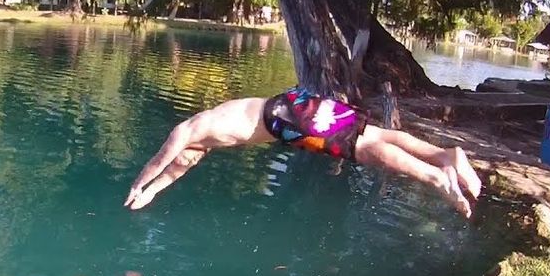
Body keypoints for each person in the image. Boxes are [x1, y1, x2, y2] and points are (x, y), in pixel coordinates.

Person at [124, 87, 483, 217]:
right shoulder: (200, 141)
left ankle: (436, 177)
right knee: (373, 134)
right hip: (291, 104)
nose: (184, 161)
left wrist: (137, 185)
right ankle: (447, 156)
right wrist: (151, 193)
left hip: (284, 119)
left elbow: (162, 161)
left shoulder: (186, 131)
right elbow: (172, 170)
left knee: (363, 149)